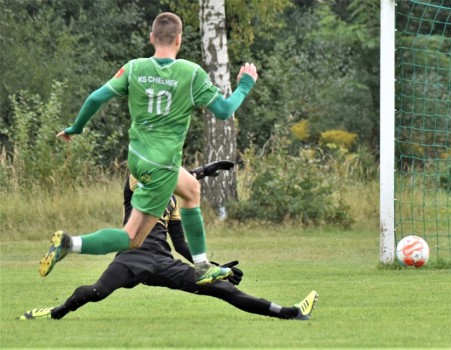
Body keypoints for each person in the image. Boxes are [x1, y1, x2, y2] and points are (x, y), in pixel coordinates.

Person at [41, 12, 258, 284]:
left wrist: (76, 128)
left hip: (138, 159)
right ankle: (70, 244)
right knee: (132, 238)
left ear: (152, 37)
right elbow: (225, 110)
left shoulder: (134, 68)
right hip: (163, 165)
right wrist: (245, 86)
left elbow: (96, 97)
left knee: (191, 189)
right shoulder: (191, 74)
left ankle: (202, 264)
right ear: (179, 39)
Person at [21, 165, 318, 321]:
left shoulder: (174, 201)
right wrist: (199, 171)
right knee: (96, 292)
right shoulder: (137, 177)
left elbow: (181, 244)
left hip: (163, 261)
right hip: (131, 257)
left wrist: (213, 267)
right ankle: (55, 312)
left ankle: (290, 312)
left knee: (223, 289)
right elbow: (160, 174)